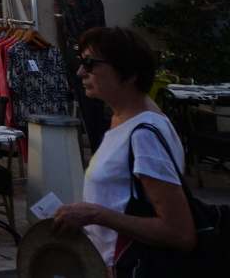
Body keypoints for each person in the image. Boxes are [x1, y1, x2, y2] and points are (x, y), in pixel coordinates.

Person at [49, 25, 197, 270]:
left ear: (129, 75)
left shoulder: (145, 134)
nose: (80, 72)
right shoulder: (124, 119)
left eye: (90, 64)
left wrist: (95, 214)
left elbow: (180, 233)